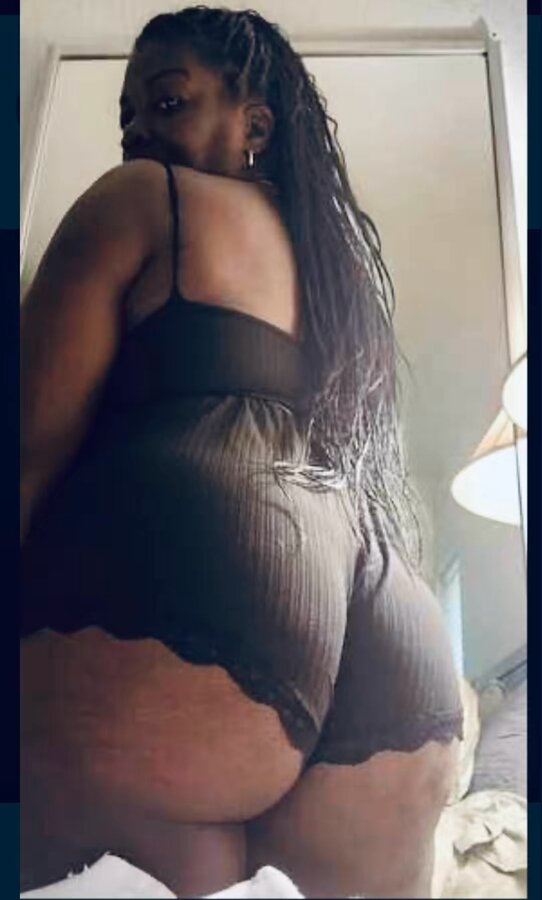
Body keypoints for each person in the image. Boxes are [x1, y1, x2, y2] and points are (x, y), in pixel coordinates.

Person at [20, 7, 463, 897]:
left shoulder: (142, 200)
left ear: (253, 124)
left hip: (195, 610)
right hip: (395, 657)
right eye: (127, 117)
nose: (137, 132)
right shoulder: (341, 284)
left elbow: (24, 451)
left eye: (167, 102)